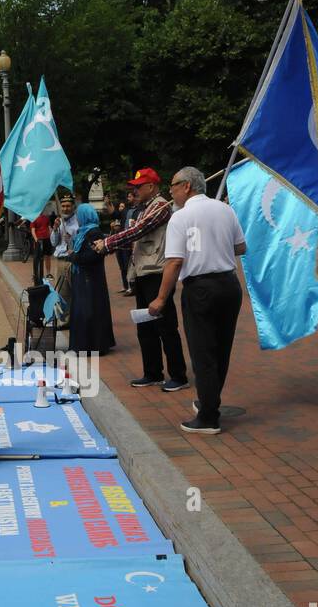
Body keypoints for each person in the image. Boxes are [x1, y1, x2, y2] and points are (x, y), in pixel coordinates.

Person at [149, 166, 246, 435]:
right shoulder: (225, 209)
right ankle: (209, 400)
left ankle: (208, 416)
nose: (171, 191)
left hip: (201, 288)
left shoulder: (180, 218)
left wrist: (160, 298)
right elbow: (241, 247)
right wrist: (217, 245)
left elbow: (175, 261)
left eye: (173, 185)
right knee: (221, 348)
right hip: (229, 284)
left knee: (202, 350)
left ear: (187, 186)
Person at [94, 167, 188, 392]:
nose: (134, 190)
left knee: (165, 326)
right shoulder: (143, 208)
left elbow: (139, 231)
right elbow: (135, 236)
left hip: (157, 273)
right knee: (145, 328)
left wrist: (107, 243)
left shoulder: (160, 207)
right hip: (143, 273)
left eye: (139, 186)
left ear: (151, 186)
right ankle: (152, 372)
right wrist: (113, 243)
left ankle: (178, 375)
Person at [69, 204, 115, 355]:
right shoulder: (83, 232)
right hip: (84, 277)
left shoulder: (93, 233)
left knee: (90, 310)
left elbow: (93, 255)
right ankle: (84, 345)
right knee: (84, 310)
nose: (77, 218)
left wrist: (73, 256)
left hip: (90, 279)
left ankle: (93, 345)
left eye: (78, 215)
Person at [49, 194, 78, 322]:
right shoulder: (59, 222)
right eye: (63, 206)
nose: (65, 209)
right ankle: (65, 320)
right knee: (62, 292)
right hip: (60, 261)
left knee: (76, 291)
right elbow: (54, 243)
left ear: (73, 207)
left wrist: (70, 238)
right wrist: (55, 229)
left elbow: (78, 243)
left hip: (73, 261)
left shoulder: (78, 222)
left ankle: (78, 318)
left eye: (68, 206)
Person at [30, 211, 53, 284]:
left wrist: (51, 236)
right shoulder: (33, 218)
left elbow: (49, 228)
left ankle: (48, 273)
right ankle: (36, 274)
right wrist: (36, 239)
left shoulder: (46, 218)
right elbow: (33, 230)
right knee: (37, 258)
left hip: (47, 239)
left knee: (48, 257)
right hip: (39, 240)